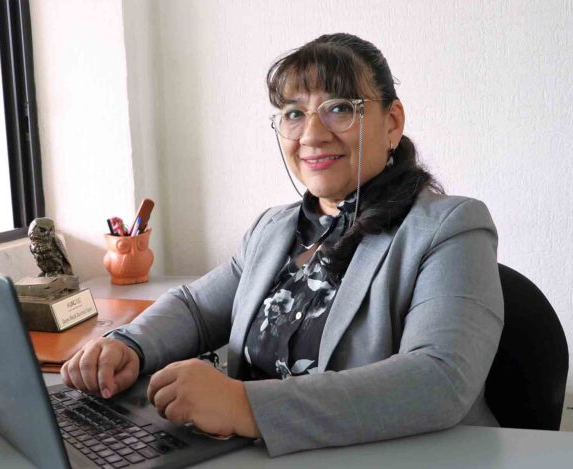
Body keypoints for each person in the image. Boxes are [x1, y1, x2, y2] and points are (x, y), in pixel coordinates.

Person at [61, 33, 504, 457]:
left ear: (392, 122)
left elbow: (439, 379)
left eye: (338, 108)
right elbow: (197, 308)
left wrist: (245, 406)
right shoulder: (274, 229)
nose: (311, 134)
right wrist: (129, 345)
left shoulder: (449, 226)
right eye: (293, 113)